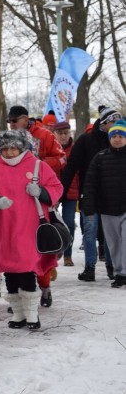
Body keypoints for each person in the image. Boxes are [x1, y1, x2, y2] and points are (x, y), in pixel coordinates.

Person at [0, 130, 63, 328]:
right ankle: (18, 314)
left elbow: (56, 187)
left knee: (26, 269)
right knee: (9, 270)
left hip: (29, 225)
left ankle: (32, 314)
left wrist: (41, 192)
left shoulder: (36, 165)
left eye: (13, 147)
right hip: (3, 226)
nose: (9, 152)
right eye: (5, 148)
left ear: (22, 147)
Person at [8, 105, 65, 301]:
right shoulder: (8, 138)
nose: (12, 125)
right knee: (18, 249)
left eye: (14, 121)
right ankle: (20, 292)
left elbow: (61, 159)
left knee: (40, 246)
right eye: (9, 122)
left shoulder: (44, 135)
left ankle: (45, 285)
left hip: (41, 200)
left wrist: (37, 164)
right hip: (16, 205)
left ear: (25, 119)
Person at [61, 105, 121, 281]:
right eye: (113, 121)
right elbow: (71, 167)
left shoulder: (117, 140)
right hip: (89, 193)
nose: (116, 125)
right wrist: (61, 191)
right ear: (105, 123)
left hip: (111, 195)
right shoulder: (86, 140)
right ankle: (90, 267)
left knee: (110, 233)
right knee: (90, 231)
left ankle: (111, 267)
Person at [81, 119, 126, 288]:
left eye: (121, 136)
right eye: (113, 135)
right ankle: (119, 272)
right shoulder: (100, 158)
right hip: (107, 207)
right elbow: (90, 183)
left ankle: (124, 273)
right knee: (113, 242)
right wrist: (89, 204)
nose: (117, 139)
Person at [53, 121, 79, 266]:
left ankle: (68, 254)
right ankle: (57, 248)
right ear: (55, 134)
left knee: (69, 222)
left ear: (70, 133)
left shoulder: (75, 149)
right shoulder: (52, 148)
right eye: (60, 133)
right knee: (54, 222)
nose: (63, 136)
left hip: (71, 191)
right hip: (54, 191)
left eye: (65, 133)